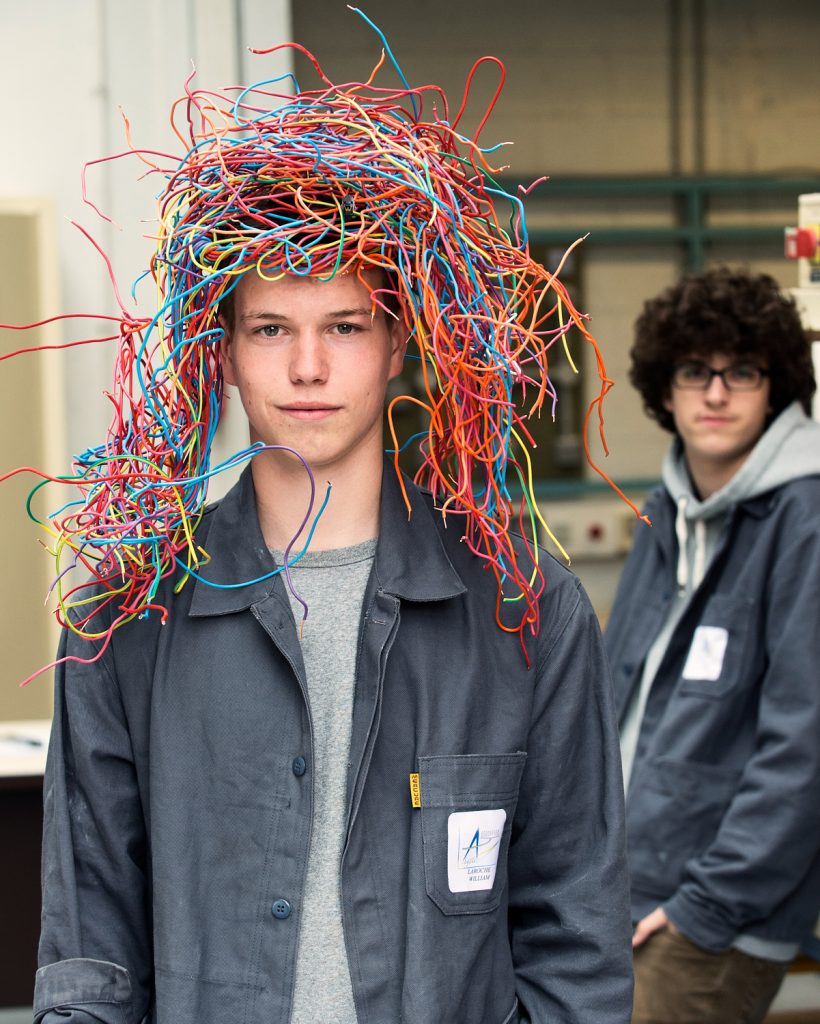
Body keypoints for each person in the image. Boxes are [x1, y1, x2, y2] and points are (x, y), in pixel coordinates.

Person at [30, 22, 633, 1024]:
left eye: (344, 326)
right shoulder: (127, 616)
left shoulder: (521, 609)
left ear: (399, 343)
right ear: (219, 351)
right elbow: (90, 944)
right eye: (271, 328)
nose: (307, 368)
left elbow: (575, 934)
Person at [606, 266, 820, 1024]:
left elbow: (804, 748)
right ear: (665, 390)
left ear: (776, 387)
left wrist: (706, 906)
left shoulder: (804, 521)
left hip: (711, 917)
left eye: (742, 371)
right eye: (695, 371)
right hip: (629, 892)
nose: (718, 393)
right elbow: (613, 703)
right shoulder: (667, 514)